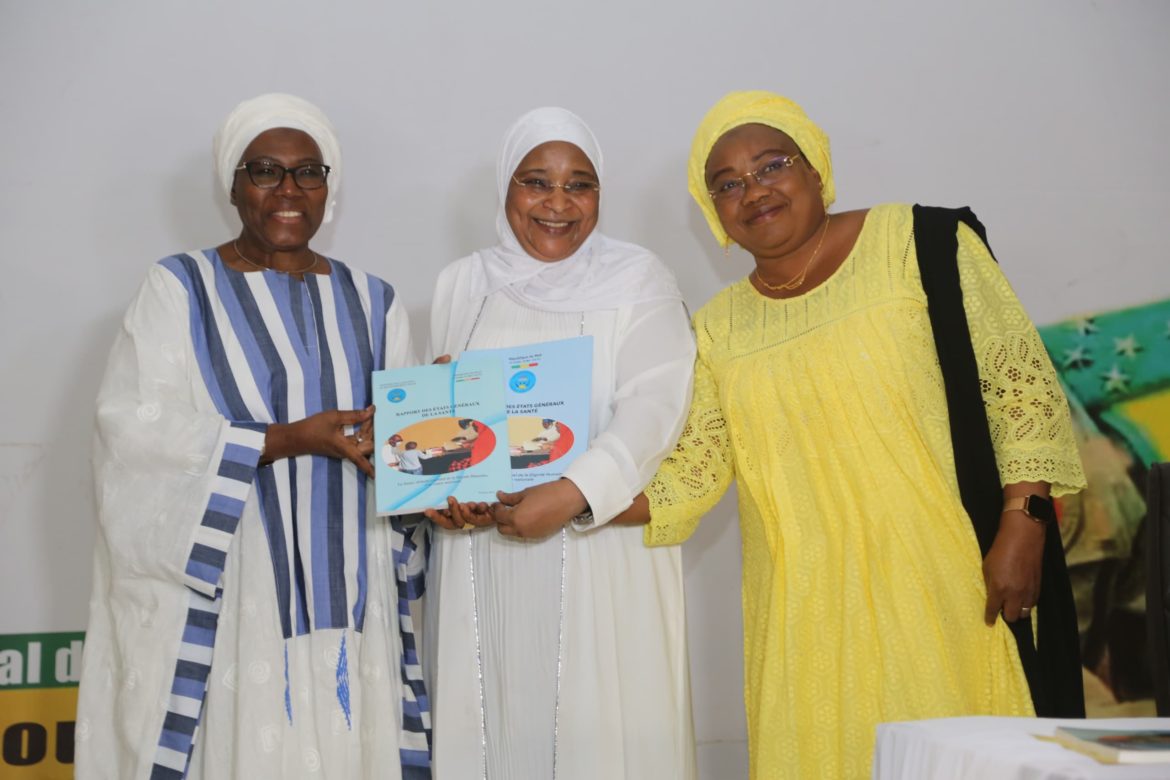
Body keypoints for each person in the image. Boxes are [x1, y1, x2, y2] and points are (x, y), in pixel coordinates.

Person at [621, 91, 1088, 779]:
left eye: (772, 164)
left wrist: (1025, 519)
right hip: (805, 614)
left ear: (816, 168)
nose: (754, 190)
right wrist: (562, 494)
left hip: (950, 585)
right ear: (713, 211)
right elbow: (692, 472)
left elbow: (1017, 385)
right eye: (727, 184)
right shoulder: (717, 329)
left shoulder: (920, 244)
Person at [75, 94, 430, 779]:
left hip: (355, 582)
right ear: (233, 186)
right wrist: (286, 439)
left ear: (329, 187)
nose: (289, 189)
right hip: (237, 593)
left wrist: (440, 438)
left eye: (309, 172)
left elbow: (404, 451)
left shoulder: (375, 300)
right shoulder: (180, 289)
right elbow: (132, 434)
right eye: (266, 171)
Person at [422, 107, 698, 779]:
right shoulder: (462, 283)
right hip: (482, 559)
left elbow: (656, 407)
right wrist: (441, 490)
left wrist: (574, 494)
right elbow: (448, 415)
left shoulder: (638, 280)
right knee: (491, 725)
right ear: (505, 187)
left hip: (600, 554)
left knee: (596, 737)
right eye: (536, 182)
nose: (557, 203)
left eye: (579, 184)